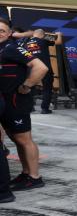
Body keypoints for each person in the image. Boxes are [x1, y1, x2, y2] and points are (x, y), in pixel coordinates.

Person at [0, 18, 48, 192]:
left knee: (24, 139)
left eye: (2, 31)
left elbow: (41, 68)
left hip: (16, 101)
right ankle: (26, 173)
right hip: (5, 101)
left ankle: (34, 177)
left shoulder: (12, 48)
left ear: (9, 33)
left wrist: (26, 86)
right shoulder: (4, 48)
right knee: (16, 139)